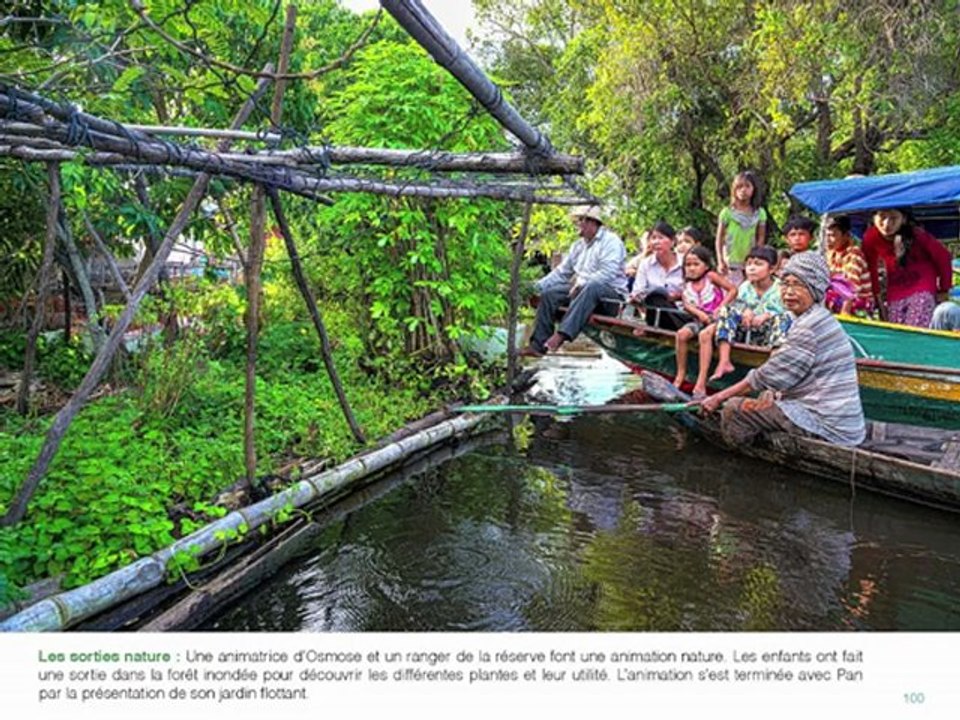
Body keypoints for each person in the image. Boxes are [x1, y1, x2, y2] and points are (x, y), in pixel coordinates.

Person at [699, 251, 866, 448]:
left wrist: (718, 397)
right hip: (838, 420)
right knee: (766, 395)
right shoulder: (817, 317)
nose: (788, 292)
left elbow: (765, 376)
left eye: (798, 285)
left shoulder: (808, 326)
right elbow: (785, 372)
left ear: (815, 289)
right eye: (785, 284)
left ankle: (742, 455)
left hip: (826, 425)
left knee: (733, 409)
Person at [521, 205, 627, 356]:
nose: (576, 224)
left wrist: (581, 284)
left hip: (610, 299)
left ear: (591, 222)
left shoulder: (611, 242)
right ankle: (538, 345)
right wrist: (535, 288)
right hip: (582, 296)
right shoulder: (578, 246)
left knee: (592, 286)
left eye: (579, 221)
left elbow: (607, 274)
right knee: (551, 293)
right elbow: (561, 273)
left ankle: (562, 335)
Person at [693, 245, 788, 396]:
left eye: (758, 264)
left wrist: (767, 315)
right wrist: (745, 311)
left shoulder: (781, 288)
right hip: (745, 330)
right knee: (727, 310)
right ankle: (724, 361)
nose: (751, 268)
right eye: (749, 264)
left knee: (784, 318)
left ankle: (774, 365)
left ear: (771, 269)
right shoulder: (745, 287)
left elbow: (788, 310)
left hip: (768, 334)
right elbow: (737, 305)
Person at [862, 209, 953, 327]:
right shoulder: (870, 237)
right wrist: (878, 300)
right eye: (882, 217)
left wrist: (944, 289)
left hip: (922, 288)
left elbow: (943, 257)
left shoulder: (918, 235)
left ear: (903, 219)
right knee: (897, 332)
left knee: (915, 329)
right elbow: (870, 270)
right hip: (895, 290)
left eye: (893, 218)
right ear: (874, 218)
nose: (886, 224)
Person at [672, 246, 737, 391]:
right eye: (688, 265)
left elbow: (733, 289)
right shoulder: (686, 284)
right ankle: (680, 374)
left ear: (706, 266)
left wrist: (721, 307)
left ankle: (701, 382)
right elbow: (686, 304)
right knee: (681, 335)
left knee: (704, 335)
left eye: (696, 264)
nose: (692, 268)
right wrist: (699, 314)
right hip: (699, 320)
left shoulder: (711, 277)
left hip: (717, 321)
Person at [628, 221, 685, 330]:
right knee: (654, 297)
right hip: (655, 315)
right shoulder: (646, 264)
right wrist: (636, 298)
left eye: (661, 238)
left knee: (658, 297)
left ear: (672, 242)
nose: (656, 242)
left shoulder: (685, 262)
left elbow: (694, 291)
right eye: (653, 238)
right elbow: (638, 290)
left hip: (682, 314)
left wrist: (677, 296)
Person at [715, 171, 766, 282]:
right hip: (731, 262)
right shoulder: (727, 213)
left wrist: (756, 258)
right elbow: (719, 239)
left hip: (750, 261)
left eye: (747, 186)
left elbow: (761, 238)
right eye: (739, 187)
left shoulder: (760, 213)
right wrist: (720, 261)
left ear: (754, 189)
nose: (743, 190)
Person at [823, 216, 873, 316]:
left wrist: (845, 313)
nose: (828, 240)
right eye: (827, 236)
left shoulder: (854, 254)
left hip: (858, 302)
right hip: (839, 298)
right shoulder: (831, 254)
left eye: (833, 235)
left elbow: (851, 287)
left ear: (846, 235)